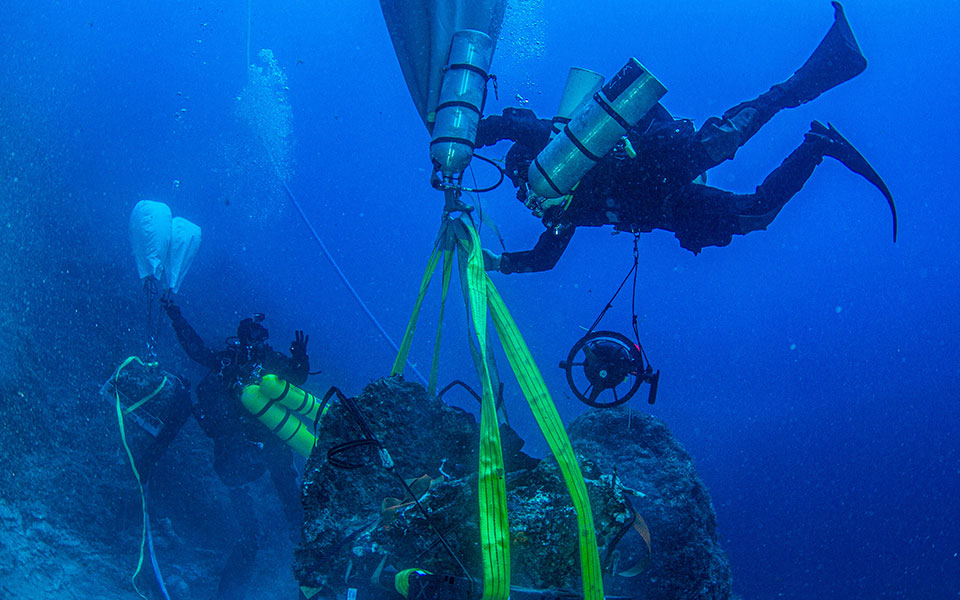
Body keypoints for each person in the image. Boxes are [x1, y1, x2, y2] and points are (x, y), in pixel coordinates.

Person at [478, 2, 896, 274]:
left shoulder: (552, 155)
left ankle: (824, 68)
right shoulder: (560, 210)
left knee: (735, 134)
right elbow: (545, 259)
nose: (525, 191)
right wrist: (494, 262)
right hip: (668, 206)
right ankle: (817, 144)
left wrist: (466, 138)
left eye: (521, 180)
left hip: (659, 166)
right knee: (757, 212)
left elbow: (515, 128)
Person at [160, 298, 310, 600]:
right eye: (250, 334)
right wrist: (177, 318)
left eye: (259, 335)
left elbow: (295, 380)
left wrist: (300, 360)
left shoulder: (271, 361)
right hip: (237, 451)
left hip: (268, 443)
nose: (255, 341)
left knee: (292, 507)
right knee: (251, 536)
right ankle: (231, 592)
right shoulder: (228, 361)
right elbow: (197, 349)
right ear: (241, 337)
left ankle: (307, 552)